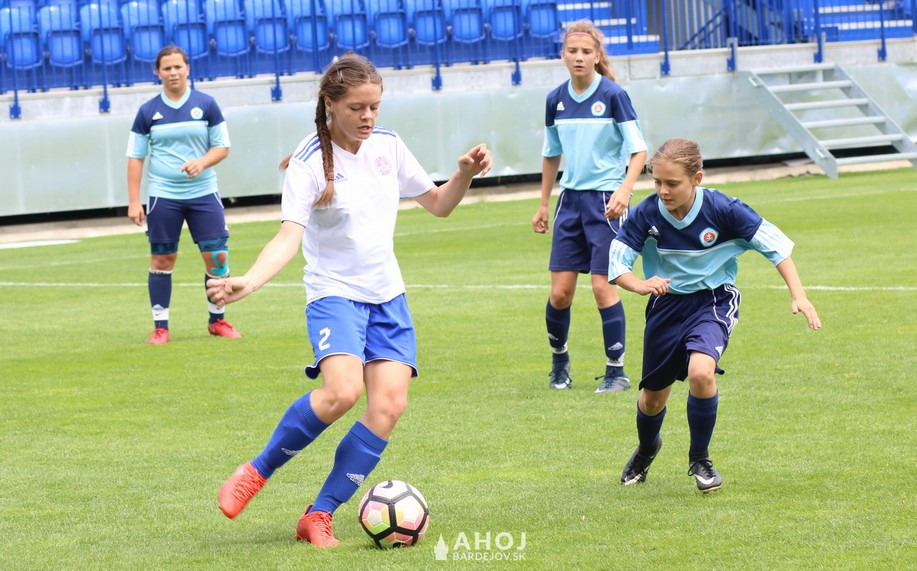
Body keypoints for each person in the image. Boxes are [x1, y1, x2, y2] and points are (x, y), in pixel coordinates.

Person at [208, 54, 492, 547]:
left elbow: (439, 204)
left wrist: (463, 174)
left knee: (389, 406)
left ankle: (318, 514)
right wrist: (249, 281)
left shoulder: (388, 145)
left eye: (374, 106)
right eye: (357, 107)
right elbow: (288, 236)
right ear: (330, 105)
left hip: (388, 297)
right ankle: (257, 471)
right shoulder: (307, 163)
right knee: (341, 392)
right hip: (334, 294)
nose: (368, 117)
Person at [609, 137, 821, 493]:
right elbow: (617, 265)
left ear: (697, 178)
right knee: (653, 399)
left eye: (672, 183)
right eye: (657, 182)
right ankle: (646, 449)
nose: (663, 190)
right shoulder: (646, 214)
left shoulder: (724, 209)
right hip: (665, 306)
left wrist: (798, 295)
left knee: (701, 372)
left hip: (713, 301)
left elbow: (776, 246)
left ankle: (700, 459)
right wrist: (640, 285)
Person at [531, 20, 647, 394]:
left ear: (597, 56)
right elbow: (551, 154)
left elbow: (639, 150)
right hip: (570, 202)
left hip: (606, 202)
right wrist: (543, 203)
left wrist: (625, 190)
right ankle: (559, 366)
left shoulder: (613, 95)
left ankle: (617, 372)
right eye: (572, 51)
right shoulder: (555, 100)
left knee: (602, 288)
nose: (578, 57)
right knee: (560, 294)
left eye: (586, 51)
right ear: (563, 55)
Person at [126, 45, 240, 345]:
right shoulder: (148, 111)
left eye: (178, 67)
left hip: (203, 192)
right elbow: (136, 157)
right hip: (163, 195)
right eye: (167, 68)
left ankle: (217, 320)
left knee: (217, 257)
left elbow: (222, 147)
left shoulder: (207, 104)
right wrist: (134, 201)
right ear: (158, 72)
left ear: (187, 69)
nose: (173, 72)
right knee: (162, 259)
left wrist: (201, 162)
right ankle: (160, 327)